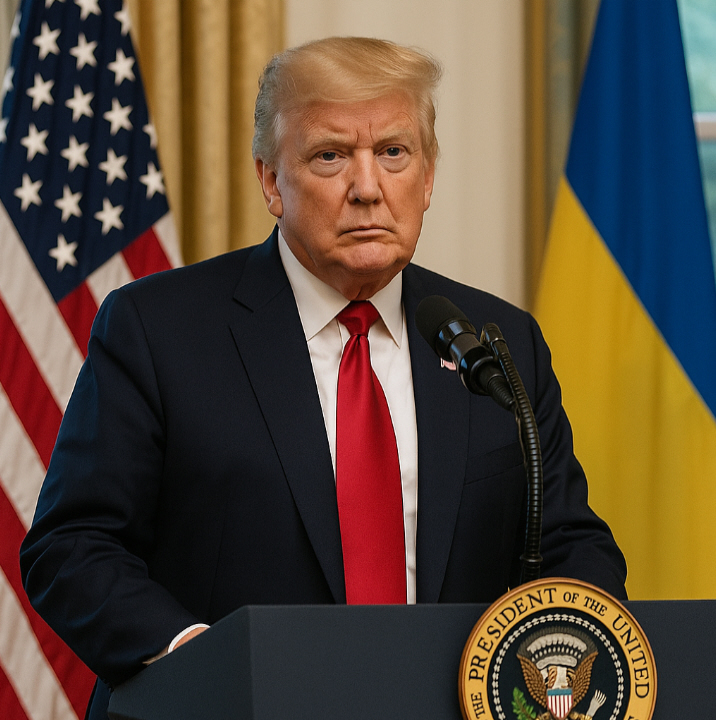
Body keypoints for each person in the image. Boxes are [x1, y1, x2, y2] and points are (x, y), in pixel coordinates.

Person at [20, 37, 626, 720]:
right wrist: (200, 663)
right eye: (330, 156)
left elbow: (572, 544)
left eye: (393, 152)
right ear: (271, 182)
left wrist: (563, 663)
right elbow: (72, 547)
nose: (368, 187)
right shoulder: (157, 329)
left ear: (428, 177)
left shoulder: (498, 341)